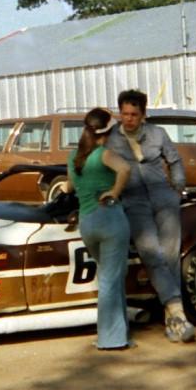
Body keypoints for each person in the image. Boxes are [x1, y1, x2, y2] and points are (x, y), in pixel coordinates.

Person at [106, 89, 196, 343]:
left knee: (170, 255)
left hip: (163, 198)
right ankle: (177, 309)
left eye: (134, 114)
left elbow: (175, 161)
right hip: (133, 200)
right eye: (124, 113)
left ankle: (172, 320)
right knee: (150, 252)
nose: (129, 119)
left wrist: (177, 188)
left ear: (143, 115)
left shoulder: (158, 134)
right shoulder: (112, 137)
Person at [66, 108, 132, 350]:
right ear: (108, 131)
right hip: (110, 219)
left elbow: (69, 187)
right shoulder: (104, 154)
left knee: (111, 277)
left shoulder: (74, 157)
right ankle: (110, 339)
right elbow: (125, 169)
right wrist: (114, 192)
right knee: (110, 281)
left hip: (87, 222)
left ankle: (120, 332)